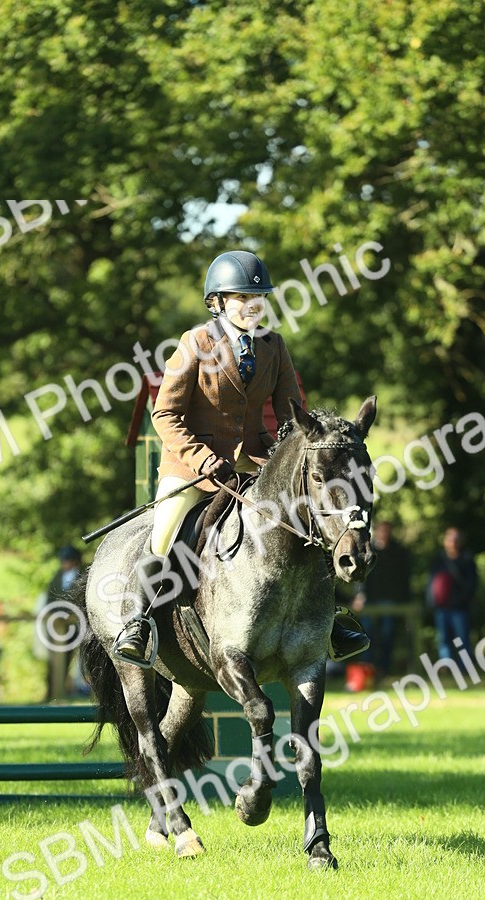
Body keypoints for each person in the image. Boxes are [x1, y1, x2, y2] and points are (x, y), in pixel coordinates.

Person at [114, 249, 369, 666]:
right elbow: (165, 413)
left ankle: (331, 618)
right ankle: (137, 623)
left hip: (254, 460)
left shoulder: (273, 346)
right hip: (192, 467)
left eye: (260, 298)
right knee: (165, 533)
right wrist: (201, 458)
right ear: (218, 302)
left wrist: (297, 456)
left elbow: (295, 417)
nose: (254, 305)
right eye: (242, 298)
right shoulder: (194, 343)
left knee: (308, 518)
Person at [352, 520, 411, 680]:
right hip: (370, 601)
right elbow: (360, 576)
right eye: (382, 531)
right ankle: (367, 670)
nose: (384, 534)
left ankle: (383, 669)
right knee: (367, 635)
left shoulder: (399, 551)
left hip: (390, 601)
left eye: (387, 531)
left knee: (387, 634)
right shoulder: (366, 550)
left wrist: (404, 599)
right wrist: (359, 595)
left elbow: (404, 578)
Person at [426, 527, 477, 667]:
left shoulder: (466, 560)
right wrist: (431, 601)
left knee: (462, 639)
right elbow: (431, 582)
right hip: (441, 607)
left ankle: (464, 668)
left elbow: (472, 583)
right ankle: (446, 668)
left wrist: (463, 599)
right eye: (449, 539)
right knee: (443, 639)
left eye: (456, 539)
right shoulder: (438, 560)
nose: (452, 542)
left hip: (460, 607)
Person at [43, 545, 89, 700]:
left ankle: (81, 691)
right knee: (54, 660)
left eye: (67, 560)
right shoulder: (57, 576)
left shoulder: (83, 575)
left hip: (77, 623)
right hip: (58, 624)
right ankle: (52, 692)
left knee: (82, 659)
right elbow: (50, 598)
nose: (64, 564)